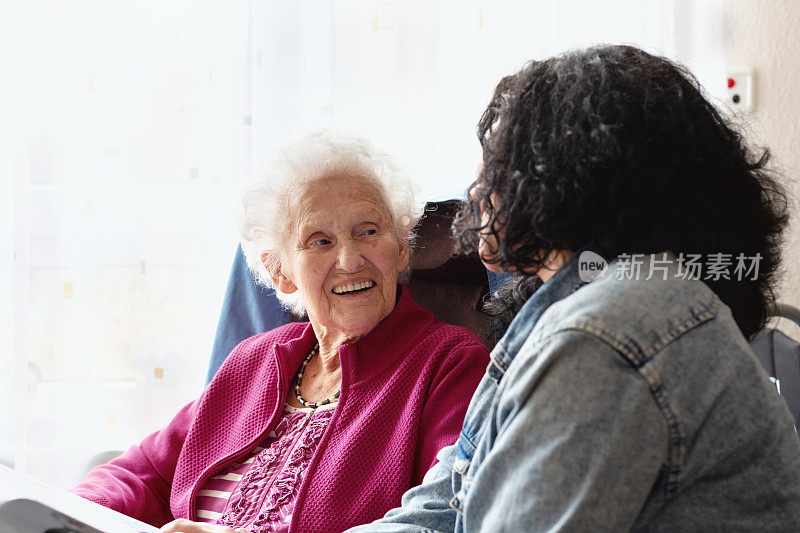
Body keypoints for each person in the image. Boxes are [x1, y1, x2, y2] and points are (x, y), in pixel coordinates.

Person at [350, 45, 800, 532]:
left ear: (568, 175)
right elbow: (441, 511)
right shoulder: (564, 319)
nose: (476, 187)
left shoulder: (611, 331)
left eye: (497, 159)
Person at [71, 131, 490, 533]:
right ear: (281, 272)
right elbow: (141, 475)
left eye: (368, 231)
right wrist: (61, 516)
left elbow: (443, 515)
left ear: (400, 246)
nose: (350, 260)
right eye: (320, 241)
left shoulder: (449, 363)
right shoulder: (252, 361)